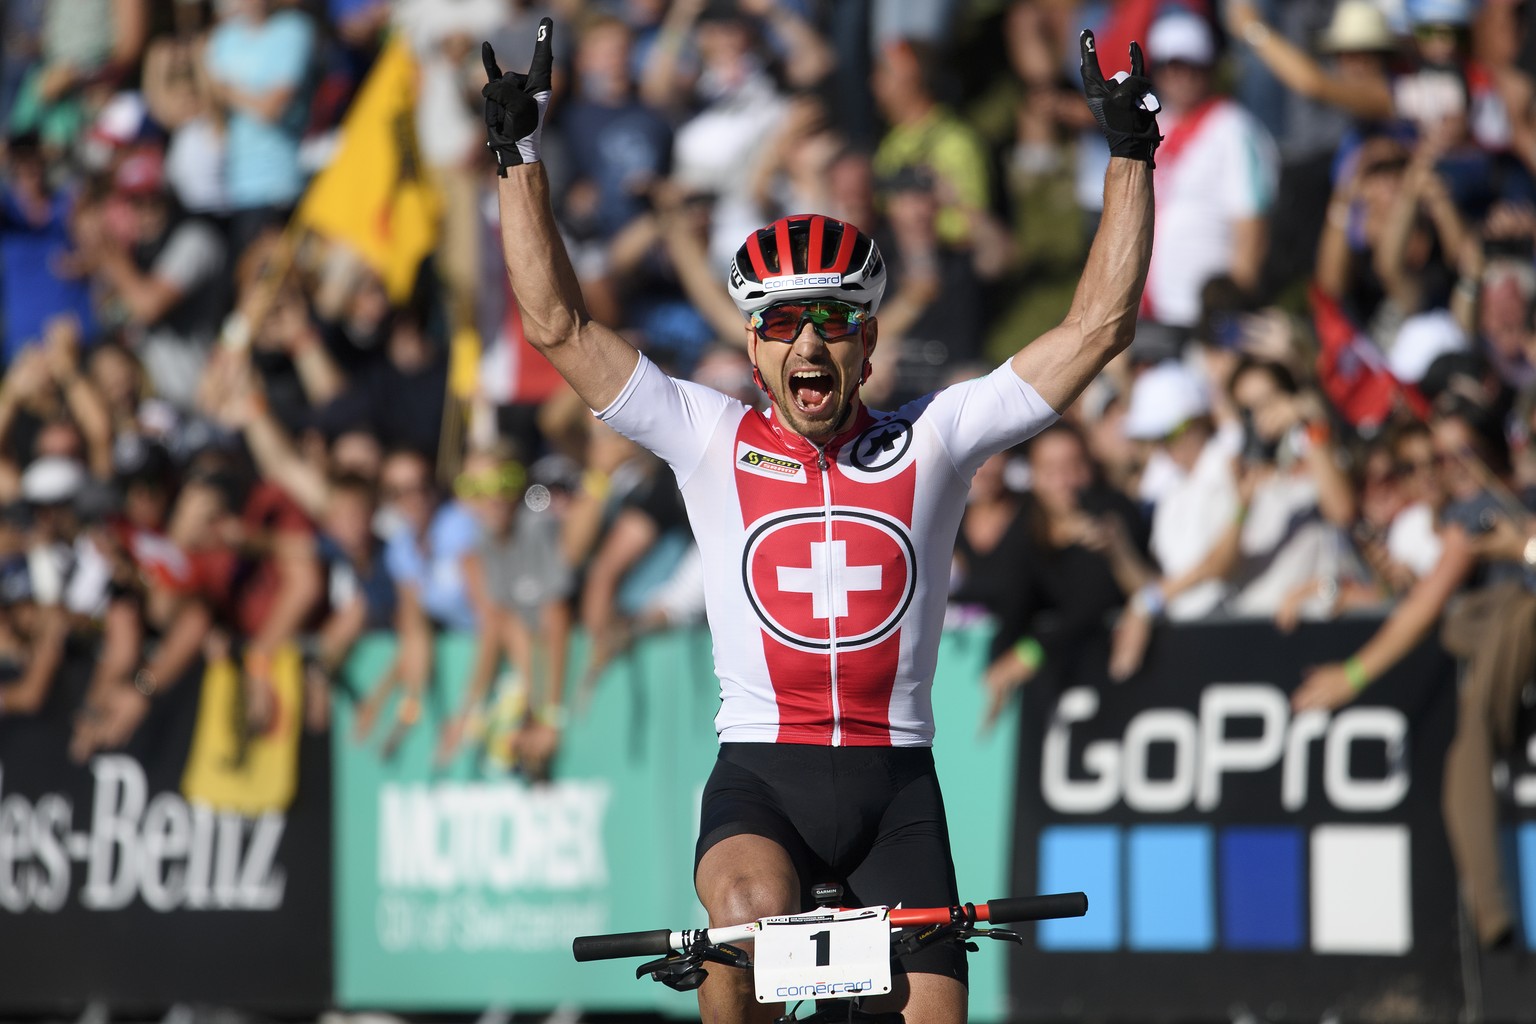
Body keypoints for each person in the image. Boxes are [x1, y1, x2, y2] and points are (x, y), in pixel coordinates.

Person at [481, 19, 1158, 1024]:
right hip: (764, 779)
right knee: (749, 920)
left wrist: (1130, 153)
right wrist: (518, 154)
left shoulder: (937, 436)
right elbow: (558, 325)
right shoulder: (709, 435)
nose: (809, 341)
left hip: (896, 791)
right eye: (782, 324)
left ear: (868, 341)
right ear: (754, 352)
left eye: (834, 320)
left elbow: (1098, 327)